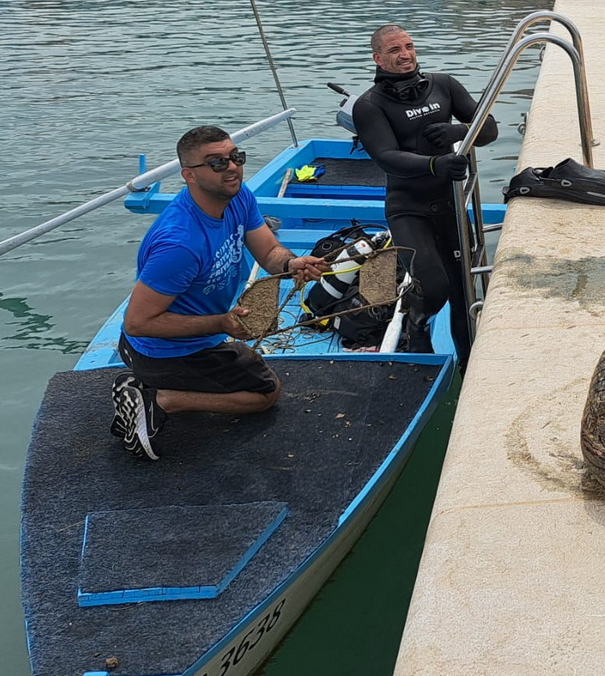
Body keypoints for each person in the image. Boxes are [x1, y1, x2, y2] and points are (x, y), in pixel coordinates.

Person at [111, 126, 327, 460]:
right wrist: (220, 324)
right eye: (216, 163)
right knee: (265, 394)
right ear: (189, 175)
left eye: (235, 157)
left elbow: (270, 255)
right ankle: (159, 398)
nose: (231, 167)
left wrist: (293, 264)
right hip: (163, 351)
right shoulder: (180, 243)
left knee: (251, 370)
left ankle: (156, 381)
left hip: (199, 337)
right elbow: (137, 323)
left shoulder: (238, 197)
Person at [352, 25, 498, 370]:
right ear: (378, 59)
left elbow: (488, 128)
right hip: (408, 207)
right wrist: (435, 163)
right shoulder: (370, 105)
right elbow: (386, 156)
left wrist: (460, 130)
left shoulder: (443, 85)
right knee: (434, 286)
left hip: (448, 203)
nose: (405, 55)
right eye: (394, 51)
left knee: (464, 291)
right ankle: (416, 319)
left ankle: (468, 365)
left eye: (409, 46)